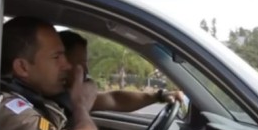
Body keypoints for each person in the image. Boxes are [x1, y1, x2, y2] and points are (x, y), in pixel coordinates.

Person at [0, 17, 101, 130]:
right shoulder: (11, 110)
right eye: (56, 57)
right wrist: (81, 107)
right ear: (22, 67)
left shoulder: (41, 99)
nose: (67, 65)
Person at [57, 30, 185, 115]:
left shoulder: (69, 96)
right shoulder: (45, 106)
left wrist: (158, 96)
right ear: (60, 63)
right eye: (80, 64)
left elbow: (115, 99)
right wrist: (81, 110)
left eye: (85, 63)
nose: (86, 71)